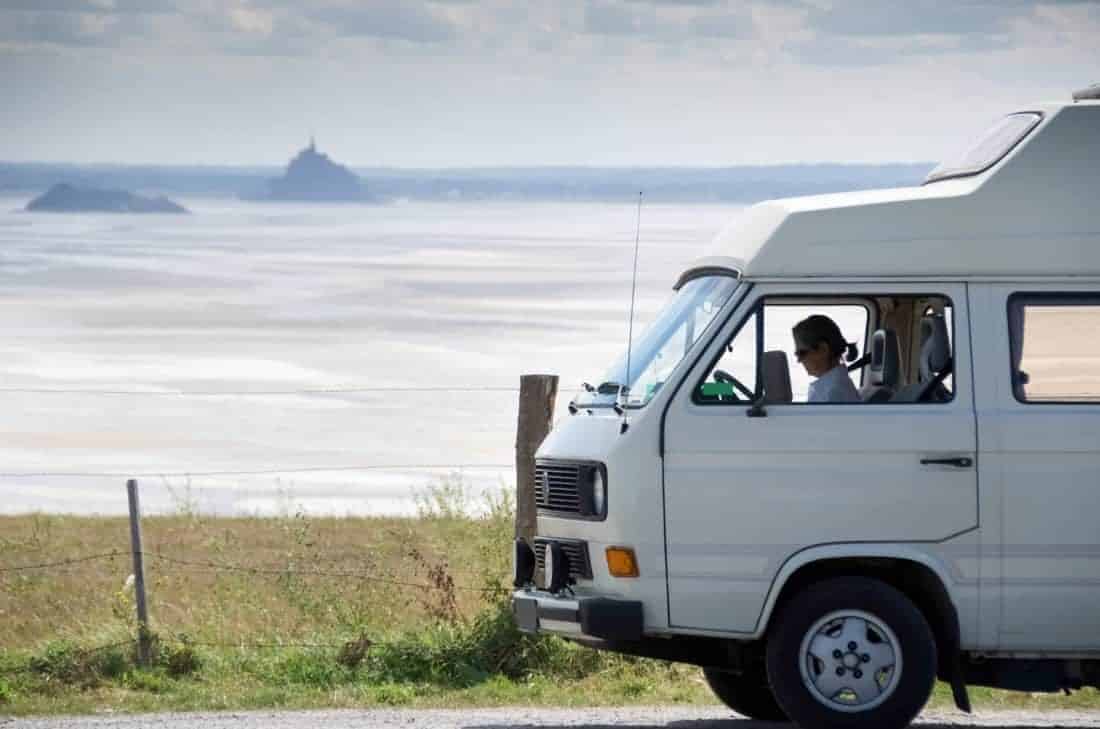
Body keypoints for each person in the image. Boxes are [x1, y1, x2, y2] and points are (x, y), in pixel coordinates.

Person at [792, 314, 860, 403]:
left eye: (801, 353)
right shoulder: (834, 387)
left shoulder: (831, 394)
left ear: (823, 349)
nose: (799, 360)